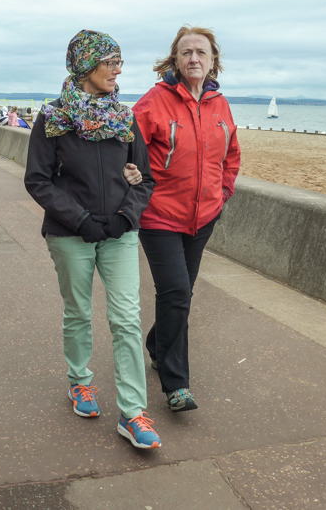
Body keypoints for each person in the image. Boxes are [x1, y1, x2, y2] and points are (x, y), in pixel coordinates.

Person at [25, 30, 161, 449]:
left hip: (119, 233)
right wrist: (80, 219)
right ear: (86, 66)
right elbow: (38, 180)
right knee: (79, 311)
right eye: (110, 63)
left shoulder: (125, 117)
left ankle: (133, 413)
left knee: (126, 319)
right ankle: (80, 382)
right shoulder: (53, 118)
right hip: (71, 234)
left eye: (120, 62)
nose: (118, 71)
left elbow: (146, 178)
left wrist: (125, 216)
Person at [132, 25, 240, 413]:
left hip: (203, 216)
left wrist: (222, 192)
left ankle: (158, 345)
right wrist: (139, 194)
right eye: (186, 53)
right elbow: (129, 154)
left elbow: (231, 155)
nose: (194, 58)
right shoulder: (154, 102)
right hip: (160, 216)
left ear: (213, 62)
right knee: (176, 291)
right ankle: (176, 383)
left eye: (201, 53)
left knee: (182, 292)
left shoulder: (219, 104)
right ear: (174, 60)